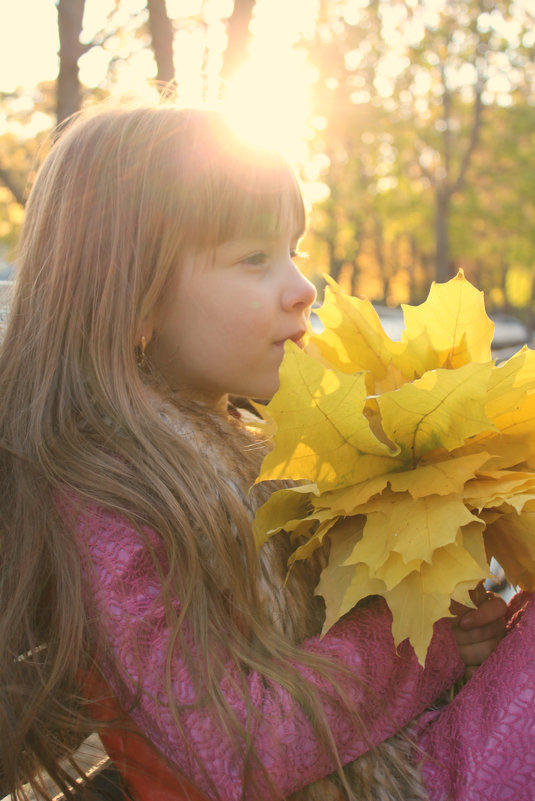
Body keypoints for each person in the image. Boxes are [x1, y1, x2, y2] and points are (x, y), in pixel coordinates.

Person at [0, 104, 532, 801]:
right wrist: (421, 647)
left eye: (293, 251)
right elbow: (232, 748)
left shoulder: (236, 449)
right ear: (134, 301)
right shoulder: (115, 499)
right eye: (255, 258)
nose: (301, 288)